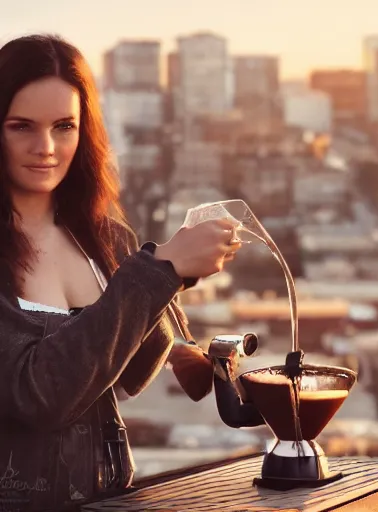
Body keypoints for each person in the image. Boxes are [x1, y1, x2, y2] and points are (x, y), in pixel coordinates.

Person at [0, 34, 241, 512]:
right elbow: (37, 395)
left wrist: (178, 307)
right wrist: (161, 270)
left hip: (113, 499)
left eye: (65, 126)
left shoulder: (108, 240)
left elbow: (125, 375)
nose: (45, 147)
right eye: (21, 126)